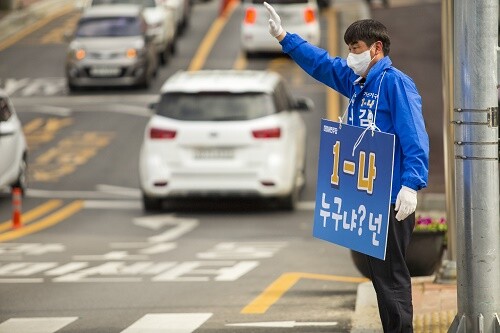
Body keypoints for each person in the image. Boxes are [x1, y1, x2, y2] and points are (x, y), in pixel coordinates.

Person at [263, 3, 429, 332]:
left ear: (376, 48)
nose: (351, 56)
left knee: (392, 276)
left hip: (392, 197)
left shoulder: (396, 84)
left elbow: (414, 135)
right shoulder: (356, 82)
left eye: (356, 49)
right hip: (366, 194)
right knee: (379, 276)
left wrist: (411, 184)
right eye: (350, 50)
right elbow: (322, 64)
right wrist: (285, 37)